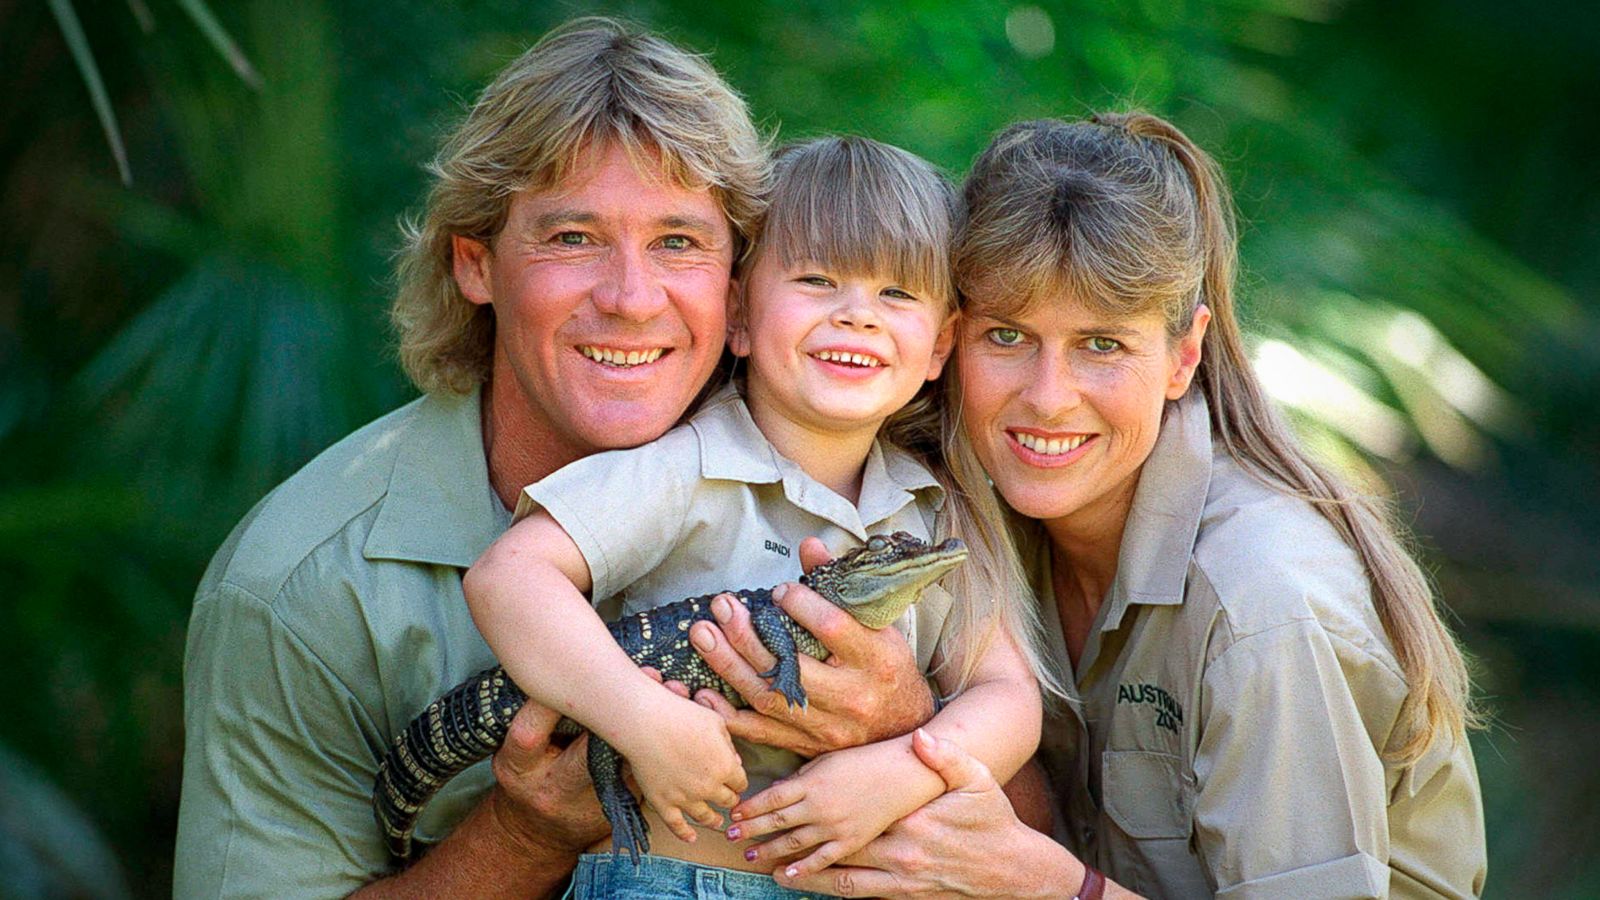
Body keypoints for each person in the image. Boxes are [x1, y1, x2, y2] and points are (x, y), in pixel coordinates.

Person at [174, 21, 940, 898]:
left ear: (739, 284)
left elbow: (1045, 827)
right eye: (572, 238)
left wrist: (904, 722)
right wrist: (525, 834)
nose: (629, 299)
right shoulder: (296, 584)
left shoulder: (872, 471)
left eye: (678, 242)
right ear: (476, 264)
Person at [766, 112, 1488, 899]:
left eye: (1102, 345)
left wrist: (1050, 889)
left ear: (1184, 355)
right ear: (950, 336)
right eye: (1007, 337)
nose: (1046, 399)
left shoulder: (1266, 605)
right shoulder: (957, 516)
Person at [464, 135, 1054, 899]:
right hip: (672, 879)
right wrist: (647, 724)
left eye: (897, 295)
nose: (858, 317)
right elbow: (510, 578)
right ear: (738, 314)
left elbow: (1008, 698)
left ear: (941, 344)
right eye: (817, 280)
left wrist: (902, 770)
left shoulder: (936, 507)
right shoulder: (684, 466)